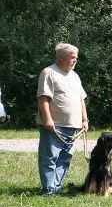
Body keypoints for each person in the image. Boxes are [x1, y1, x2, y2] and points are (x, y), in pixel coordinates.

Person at [37, 43, 88, 195]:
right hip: (54, 125)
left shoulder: (75, 76)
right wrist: (47, 119)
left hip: (74, 126)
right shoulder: (48, 73)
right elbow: (43, 98)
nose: (75, 61)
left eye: (76, 58)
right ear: (61, 58)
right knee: (50, 158)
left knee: (65, 158)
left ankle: (55, 187)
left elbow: (81, 100)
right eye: (72, 58)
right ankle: (48, 189)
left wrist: (84, 120)